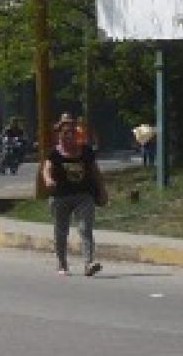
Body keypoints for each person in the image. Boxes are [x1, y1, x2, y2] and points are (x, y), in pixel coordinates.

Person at [43, 119, 109, 277]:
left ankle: (89, 263)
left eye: (73, 132)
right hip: (60, 197)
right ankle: (62, 263)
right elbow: (46, 169)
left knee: (86, 228)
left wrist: (103, 191)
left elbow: (95, 172)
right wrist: (48, 180)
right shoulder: (54, 153)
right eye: (65, 133)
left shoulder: (86, 151)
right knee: (61, 231)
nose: (69, 136)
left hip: (83, 196)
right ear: (59, 135)